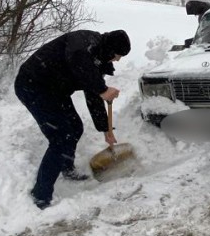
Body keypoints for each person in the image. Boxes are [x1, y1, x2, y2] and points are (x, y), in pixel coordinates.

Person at [14, 30, 131, 209]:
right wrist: (103, 89)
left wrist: (105, 129)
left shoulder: (98, 57)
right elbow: (80, 63)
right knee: (60, 138)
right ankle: (40, 195)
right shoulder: (83, 45)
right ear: (110, 49)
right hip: (34, 86)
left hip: (55, 89)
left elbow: (93, 93)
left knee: (75, 127)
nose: (117, 60)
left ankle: (66, 168)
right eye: (117, 55)